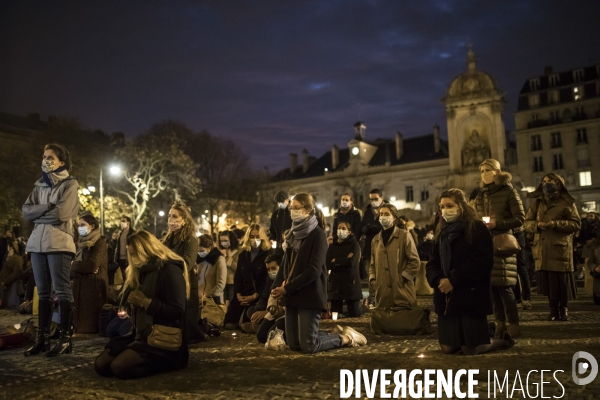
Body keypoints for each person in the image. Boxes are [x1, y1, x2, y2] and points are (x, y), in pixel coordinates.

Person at [271, 192, 367, 354]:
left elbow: (314, 270)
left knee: (309, 346)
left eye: (297, 208)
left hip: (310, 293)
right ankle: (328, 335)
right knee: (294, 344)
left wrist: (287, 288)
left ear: (308, 210)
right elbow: (285, 264)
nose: (292, 211)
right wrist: (275, 287)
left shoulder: (318, 235)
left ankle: (346, 338)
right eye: (291, 208)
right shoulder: (292, 234)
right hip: (292, 294)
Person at [427, 188, 514, 355]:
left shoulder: (476, 228)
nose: (445, 210)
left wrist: (453, 280)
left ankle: (500, 340)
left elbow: (482, 262)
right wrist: (438, 280)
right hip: (447, 298)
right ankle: (482, 332)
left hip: (470, 296)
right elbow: (432, 263)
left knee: (470, 349)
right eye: (442, 206)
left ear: (461, 206)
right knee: (448, 348)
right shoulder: (441, 232)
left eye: (449, 205)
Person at [94, 230, 189, 379]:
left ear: (147, 250)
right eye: (130, 254)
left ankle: (167, 364)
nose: (132, 259)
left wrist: (145, 302)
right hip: (139, 334)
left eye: (134, 254)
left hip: (162, 337)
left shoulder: (169, 270)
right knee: (101, 365)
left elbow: (177, 310)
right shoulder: (140, 271)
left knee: (119, 367)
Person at [22, 143, 80, 357]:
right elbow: (26, 211)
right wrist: (47, 208)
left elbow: (62, 215)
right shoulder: (39, 185)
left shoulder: (70, 184)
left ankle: (65, 339)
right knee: (43, 292)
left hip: (59, 243)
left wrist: (39, 214)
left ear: (61, 162)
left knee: (63, 290)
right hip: (37, 243)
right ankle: (42, 339)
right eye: (44, 156)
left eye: (50, 157)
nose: (45, 160)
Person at [473, 159, 524, 338]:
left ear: (497, 171)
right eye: (482, 170)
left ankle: (514, 324)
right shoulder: (481, 195)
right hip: (485, 244)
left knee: (504, 286)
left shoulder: (509, 191)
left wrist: (498, 224)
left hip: (502, 242)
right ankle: (500, 322)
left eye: (488, 170)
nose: (484, 173)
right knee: (492, 287)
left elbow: (520, 218)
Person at [523, 173, 581, 321]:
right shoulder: (537, 202)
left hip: (560, 247)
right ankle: (553, 310)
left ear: (558, 183)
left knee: (561, 282)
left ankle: (564, 308)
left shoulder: (567, 202)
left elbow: (576, 224)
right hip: (542, 247)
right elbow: (526, 222)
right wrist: (537, 225)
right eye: (544, 181)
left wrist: (556, 224)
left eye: (550, 181)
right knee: (549, 282)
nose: (546, 183)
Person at [161, 202, 200, 343]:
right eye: (169, 216)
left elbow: (187, 263)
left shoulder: (191, 240)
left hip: (185, 285)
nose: (170, 219)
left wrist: (167, 261)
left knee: (187, 329)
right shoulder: (167, 240)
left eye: (174, 216)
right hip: (170, 284)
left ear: (184, 220)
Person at [369, 204, 421, 308]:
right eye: (381, 214)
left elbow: (414, 261)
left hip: (401, 289)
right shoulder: (376, 239)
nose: (383, 216)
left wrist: (403, 277)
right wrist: (373, 279)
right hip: (382, 289)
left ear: (394, 217)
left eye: (387, 214)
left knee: (402, 321)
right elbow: (372, 263)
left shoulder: (404, 235)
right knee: (385, 320)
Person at [223, 224, 271, 329]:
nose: (255, 240)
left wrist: (254, 296)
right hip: (244, 294)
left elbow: (266, 280)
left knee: (247, 321)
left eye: (258, 237)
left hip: (258, 295)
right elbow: (238, 277)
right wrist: (238, 294)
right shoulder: (243, 255)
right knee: (229, 323)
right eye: (252, 237)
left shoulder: (268, 254)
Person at [71, 214, 108, 333]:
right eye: (79, 225)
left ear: (92, 226)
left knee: (91, 324)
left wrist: (74, 265)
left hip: (94, 286)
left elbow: (92, 265)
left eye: (83, 225)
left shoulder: (99, 243)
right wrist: (77, 267)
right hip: (79, 286)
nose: (79, 227)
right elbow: (69, 268)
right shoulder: (78, 244)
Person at [327, 221, 363, 317]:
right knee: (335, 315)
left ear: (349, 232)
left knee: (354, 314)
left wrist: (336, 261)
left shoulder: (354, 245)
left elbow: (351, 262)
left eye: (343, 228)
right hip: (336, 283)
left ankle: (364, 308)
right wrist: (344, 260)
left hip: (350, 281)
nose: (340, 230)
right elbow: (328, 264)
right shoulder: (332, 246)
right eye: (339, 228)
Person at [359, 188, 389, 307]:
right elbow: (363, 226)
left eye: (376, 199)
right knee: (370, 274)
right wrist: (367, 228)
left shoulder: (388, 209)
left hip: (384, 245)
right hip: (369, 247)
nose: (373, 201)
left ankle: (384, 297)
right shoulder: (368, 211)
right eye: (371, 199)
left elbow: (384, 226)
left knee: (384, 272)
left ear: (381, 198)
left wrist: (372, 227)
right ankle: (372, 298)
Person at [253, 253, 286, 343]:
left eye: (273, 268)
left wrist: (266, 312)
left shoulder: (286, 279)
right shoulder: (270, 280)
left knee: (272, 335)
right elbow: (266, 296)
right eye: (268, 269)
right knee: (261, 336)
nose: (271, 271)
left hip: (285, 313)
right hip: (273, 312)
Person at [197, 235, 227, 306]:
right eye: (198, 251)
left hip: (213, 301)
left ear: (209, 248)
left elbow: (220, 284)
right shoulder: (198, 260)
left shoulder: (219, 259)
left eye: (202, 251)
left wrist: (205, 297)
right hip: (198, 301)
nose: (199, 253)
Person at [217, 230, 241, 304]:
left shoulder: (239, 251)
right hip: (221, 281)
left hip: (232, 282)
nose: (223, 243)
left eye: (225, 240)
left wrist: (227, 258)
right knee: (222, 303)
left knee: (232, 303)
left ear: (231, 240)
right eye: (222, 241)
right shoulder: (219, 250)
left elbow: (238, 267)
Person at [0, 240, 24, 310]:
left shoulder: (17, 258)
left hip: (11, 284)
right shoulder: (6, 257)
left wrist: (5, 281)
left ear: (11, 248)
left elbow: (17, 272)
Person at [115, 216, 136, 281]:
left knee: (130, 276)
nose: (122, 223)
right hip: (121, 258)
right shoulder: (121, 233)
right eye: (121, 221)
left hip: (129, 258)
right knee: (123, 277)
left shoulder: (133, 233)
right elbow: (117, 246)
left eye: (123, 221)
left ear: (128, 223)